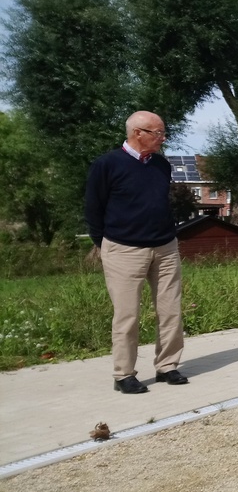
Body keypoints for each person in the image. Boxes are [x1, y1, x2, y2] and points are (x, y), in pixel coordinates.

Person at [84, 111, 188, 394]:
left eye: (163, 133)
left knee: (170, 311)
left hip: (165, 247)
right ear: (138, 133)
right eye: (158, 133)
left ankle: (167, 366)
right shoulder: (107, 165)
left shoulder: (161, 165)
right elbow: (93, 209)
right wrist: (106, 242)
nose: (163, 138)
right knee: (127, 315)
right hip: (124, 249)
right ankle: (124, 374)